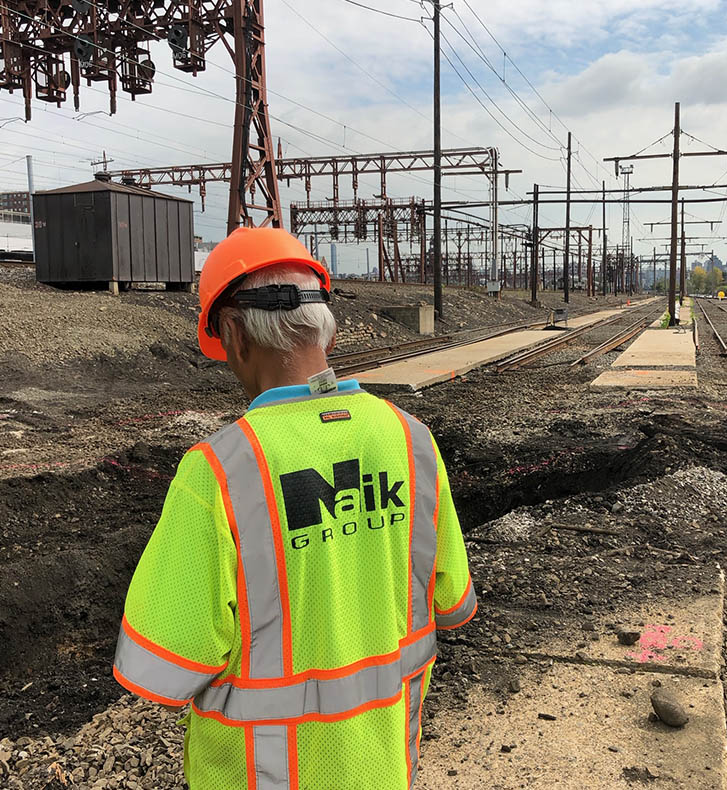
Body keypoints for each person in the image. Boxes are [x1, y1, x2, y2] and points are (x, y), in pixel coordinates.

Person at [113, 227, 476, 790]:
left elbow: (163, 667)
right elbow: (451, 603)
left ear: (234, 335)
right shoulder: (412, 442)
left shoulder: (220, 471)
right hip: (384, 768)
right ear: (325, 326)